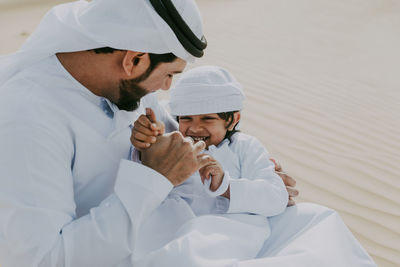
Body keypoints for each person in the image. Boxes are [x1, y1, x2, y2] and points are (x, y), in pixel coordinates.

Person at [0, 0, 375, 266]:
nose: (166, 90)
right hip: (135, 250)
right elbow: (42, 260)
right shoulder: (28, 118)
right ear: (133, 60)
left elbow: (183, 137)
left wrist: (245, 176)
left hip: (182, 223)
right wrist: (154, 178)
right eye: (170, 75)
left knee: (316, 223)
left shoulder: (124, 88)